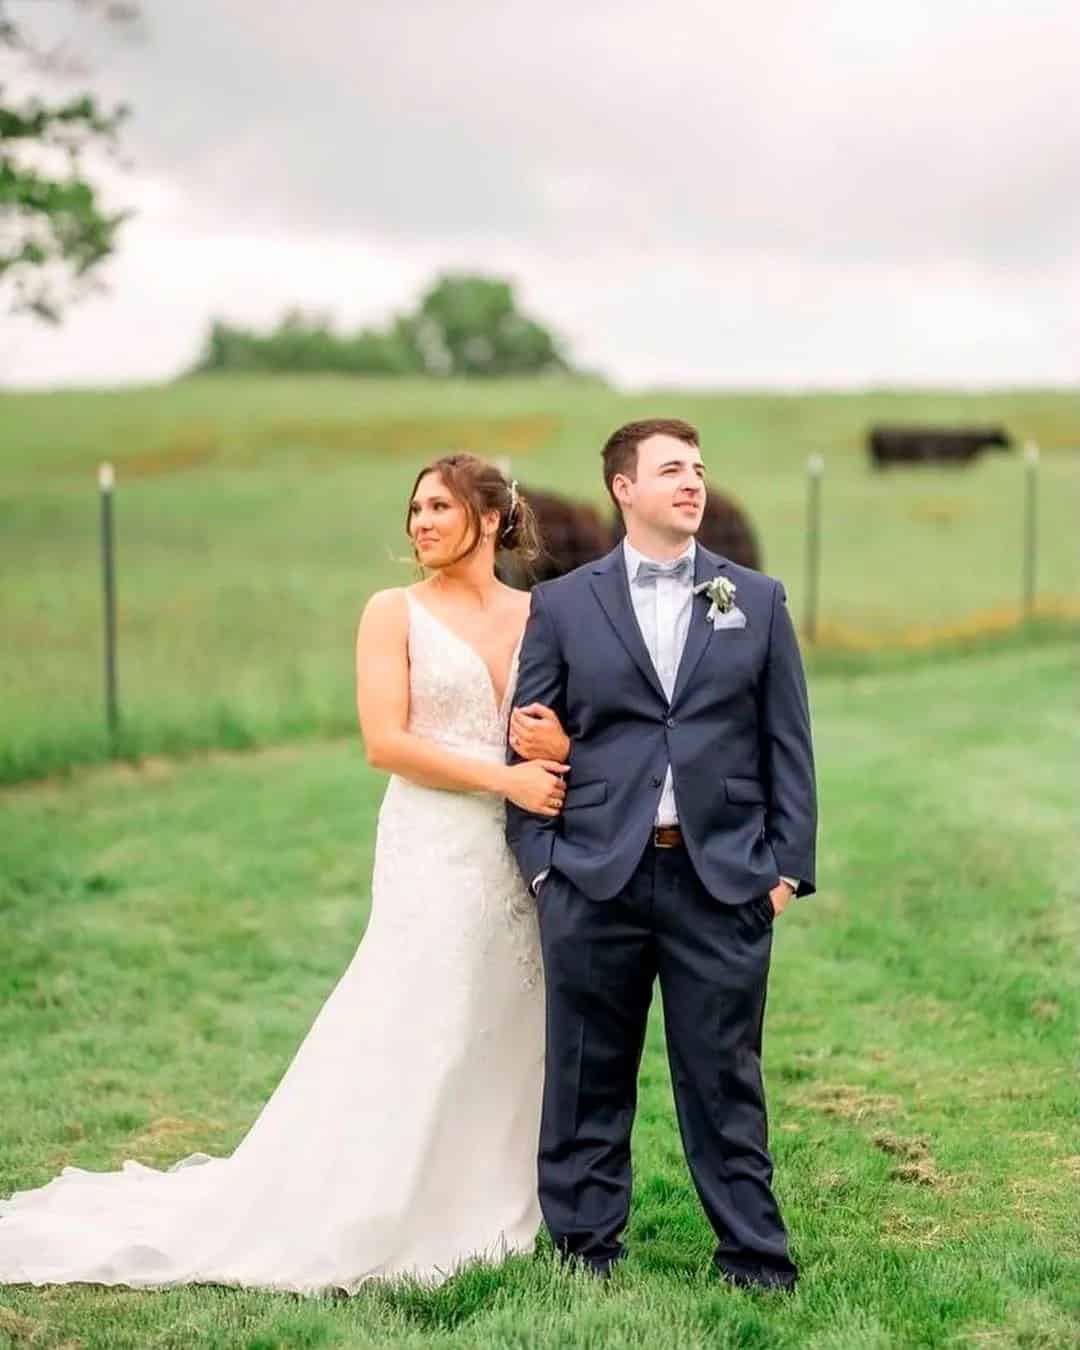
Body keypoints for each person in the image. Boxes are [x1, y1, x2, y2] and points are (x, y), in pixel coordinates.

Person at [0, 454, 572, 1294]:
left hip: (521, 844)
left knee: (510, 1009)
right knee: (424, 1005)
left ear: (491, 520)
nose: (418, 522)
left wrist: (554, 752)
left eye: (438, 507)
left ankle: (495, 1195)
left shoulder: (543, 614)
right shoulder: (392, 612)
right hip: (435, 840)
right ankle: (382, 1202)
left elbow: (570, 716)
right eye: (413, 507)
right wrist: (506, 777)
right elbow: (387, 742)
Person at [506, 418, 817, 1290]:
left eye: (699, 469)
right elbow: (525, 744)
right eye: (671, 469)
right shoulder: (563, 604)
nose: (693, 482)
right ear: (623, 488)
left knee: (725, 1077)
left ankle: (754, 1257)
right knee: (584, 1075)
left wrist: (784, 871)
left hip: (720, 880)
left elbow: (787, 744)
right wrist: (544, 866)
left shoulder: (752, 599)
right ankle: (584, 1253)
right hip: (594, 875)